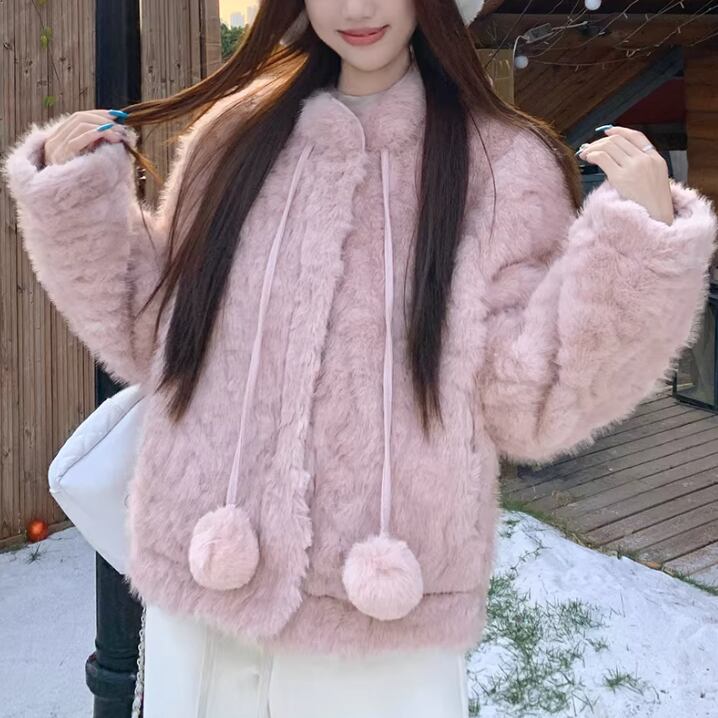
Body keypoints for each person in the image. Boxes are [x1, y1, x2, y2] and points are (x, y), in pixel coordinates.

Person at [3, 1, 717, 716]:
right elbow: (156, 334)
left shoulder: (500, 165)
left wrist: (642, 247)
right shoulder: (235, 135)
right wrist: (75, 199)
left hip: (379, 624)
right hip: (199, 598)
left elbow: (533, 399)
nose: (355, 8)